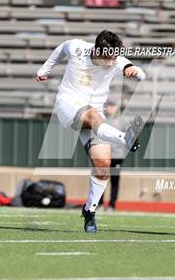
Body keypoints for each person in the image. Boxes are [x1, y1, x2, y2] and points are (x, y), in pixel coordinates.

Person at [36, 30, 145, 233]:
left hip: (96, 119)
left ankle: (90, 211)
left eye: (116, 58)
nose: (113, 62)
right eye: (109, 58)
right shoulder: (78, 48)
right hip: (68, 105)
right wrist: (44, 69)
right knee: (94, 115)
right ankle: (124, 138)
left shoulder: (117, 59)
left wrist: (133, 69)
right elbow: (61, 49)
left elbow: (140, 73)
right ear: (97, 51)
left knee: (104, 164)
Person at [98, 100, 128, 211]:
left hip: (117, 156)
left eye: (112, 105)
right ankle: (99, 204)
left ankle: (111, 205)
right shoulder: (102, 119)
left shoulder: (122, 121)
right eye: (108, 106)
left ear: (116, 107)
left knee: (114, 180)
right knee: (100, 179)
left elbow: (129, 135)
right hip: (103, 155)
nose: (110, 108)